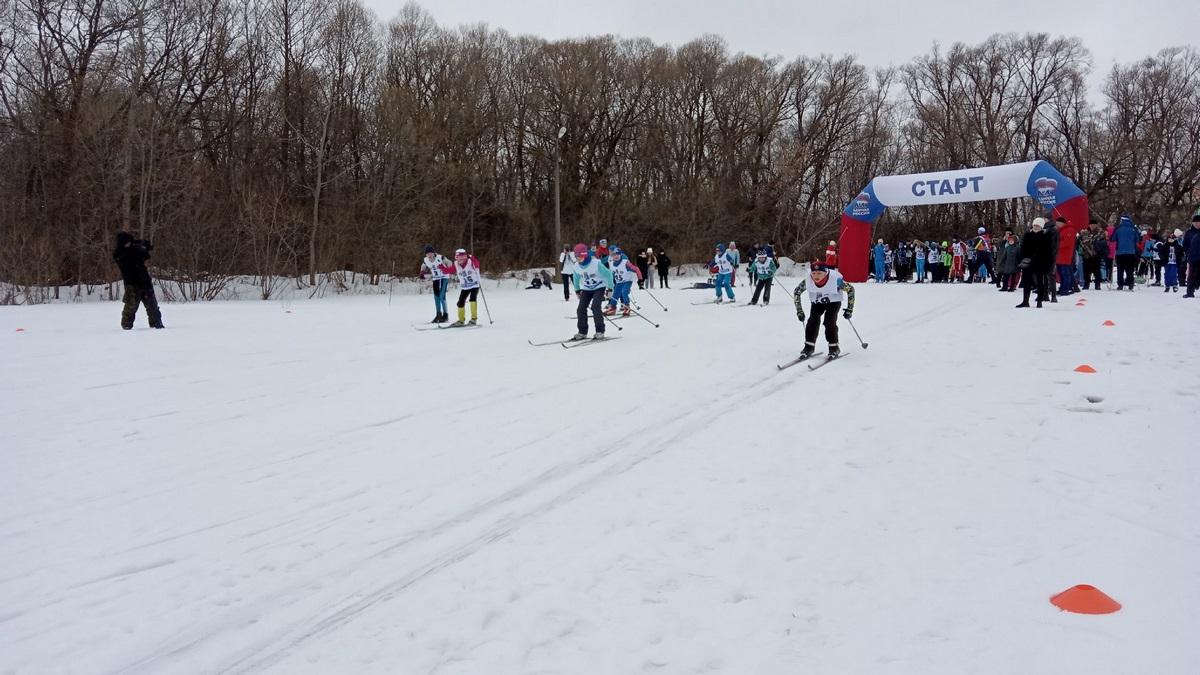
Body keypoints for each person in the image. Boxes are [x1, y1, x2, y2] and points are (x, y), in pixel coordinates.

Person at [792, 261, 855, 360]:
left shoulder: (835, 280)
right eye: (813, 273)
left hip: (833, 302)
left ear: (826, 273)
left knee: (829, 322)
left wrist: (849, 309)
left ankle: (834, 347)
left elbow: (850, 289)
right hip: (817, 302)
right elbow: (797, 292)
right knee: (812, 321)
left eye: (819, 273)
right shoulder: (808, 280)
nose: (816, 276)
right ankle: (809, 346)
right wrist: (799, 311)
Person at [113, 231, 164, 330]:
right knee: (130, 307)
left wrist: (144, 248)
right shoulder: (120, 254)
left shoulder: (134, 251)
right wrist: (138, 248)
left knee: (152, 307)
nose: (130, 244)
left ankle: (157, 324)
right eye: (128, 243)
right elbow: (128, 258)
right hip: (132, 284)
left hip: (145, 282)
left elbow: (144, 256)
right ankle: (126, 327)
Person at [570, 243, 614, 339]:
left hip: (599, 288)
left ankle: (600, 331)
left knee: (595, 307)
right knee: (580, 309)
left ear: (585, 255)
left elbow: (608, 274)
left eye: (579, 257)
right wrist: (577, 290)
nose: (578, 259)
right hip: (586, 289)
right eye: (576, 257)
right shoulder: (577, 266)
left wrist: (610, 288)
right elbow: (576, 278)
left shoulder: (596, 263)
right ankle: (582, 332)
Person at [1016, 218, 1053, 308]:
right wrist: (1023, 258)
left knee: (1040, 281)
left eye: (1038, 226)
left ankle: (1039, 301)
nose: (1036, 227)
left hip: (1040, 262)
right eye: (1034, 225)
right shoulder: (1028, 235)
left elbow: (1048, 251)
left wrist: (1047, 263)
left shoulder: (1046, 236)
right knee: (1027, 282)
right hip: (1028, 262)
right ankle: (1025, 301)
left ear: (1041, 226)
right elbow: (1023, 248)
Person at [419, 245, 453, 323]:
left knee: (442, 296)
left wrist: (447, 267)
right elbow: (423, 266)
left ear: (433, 253)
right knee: (436, 297)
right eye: (427, 254)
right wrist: (422, 272)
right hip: (436, 278)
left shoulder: (440, 257)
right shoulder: (426, 260)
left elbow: (449, 262)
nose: (429, 255)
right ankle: (438, 314)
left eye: (430, 253)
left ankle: (445, 315)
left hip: (444, 277)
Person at [605, 248, 642, 316]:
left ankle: (626, 307)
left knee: (624, 292)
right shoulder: (611, 264)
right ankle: (613, 308)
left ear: (621, 255)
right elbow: (609, 275)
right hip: (619, 282)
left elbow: (636, 269)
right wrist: (609, 286)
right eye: (614, 255)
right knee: (615, 294)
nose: (616, 256)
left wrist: (640, 279)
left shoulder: (625, 262)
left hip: (627, 280)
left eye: (618, 255)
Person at [450, 248, 482, 326]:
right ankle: (461, 320)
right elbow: (450, 270)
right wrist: (442, 268)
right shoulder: (456, 264)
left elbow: (477, 264)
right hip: (465, 286)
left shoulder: (470, 261)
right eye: (457, 258)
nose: (459, 260)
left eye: (461, 258)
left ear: (465, 258)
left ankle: (473, 319)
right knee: (460, 302)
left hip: (474, 284)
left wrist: (472, 258)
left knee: (472, 299)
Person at [1110, 216, 1140, 290]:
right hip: (1130, 253)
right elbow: (1137, 240)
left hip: (1120, 253)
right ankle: (1130, 284)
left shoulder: (1118, 229)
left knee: (1120, 270)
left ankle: (1120, 285)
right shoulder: (1134, 229)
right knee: (1130, 269)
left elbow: (1112, 239)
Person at [1078, 221, 1107, 291]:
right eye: (1091, 224)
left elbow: (1103, 243)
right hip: (1086, 255)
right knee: (1086, 271)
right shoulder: (1085, 233)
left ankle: (1097, 285)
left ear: (1096, 225)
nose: (1092, 226)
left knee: (1096, 270)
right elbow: (1079, 242)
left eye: (1094, 224)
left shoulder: (1100, 232)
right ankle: (1086, 284)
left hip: (1096, 255)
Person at [1184, 215, 1200, 298]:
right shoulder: (1189, 233)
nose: (1197, 224)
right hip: (1193, 258)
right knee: (1191, 276)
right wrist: (1188, 253)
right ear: (1193, 223)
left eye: (1198, 222)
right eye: (1195, 222)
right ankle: (1190, 292)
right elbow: (1185, 245)